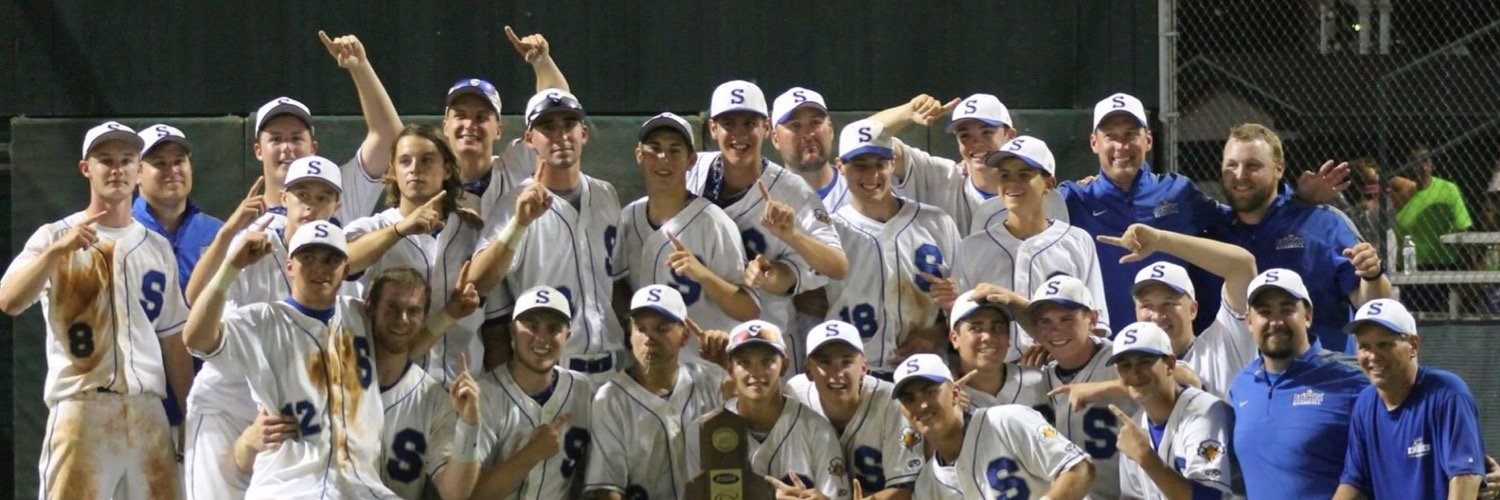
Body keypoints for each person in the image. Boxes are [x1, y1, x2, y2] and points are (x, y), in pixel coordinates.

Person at [1, 122, 190, 499]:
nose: (117, 169)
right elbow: (9, 300)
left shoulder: (156, 246)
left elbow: (173, 341)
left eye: (126, 160)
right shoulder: (55, 236)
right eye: (106, 160)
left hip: (147, 410)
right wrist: (56, 254)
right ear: (86, 168)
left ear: (139, 171)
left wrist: (186, 415)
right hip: (81, 407)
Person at [183, 29, 401, 304]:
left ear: (313, 148)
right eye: (276, 139)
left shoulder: (340, 191)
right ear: (258, 150)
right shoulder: (247, 226)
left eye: (297, 138)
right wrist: (228, 234)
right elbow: (196, 298)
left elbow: (391, 141)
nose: (287, 147)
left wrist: (360, 68)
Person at [183, 220, 397, 498]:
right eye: (308, 258)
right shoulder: (261, 321)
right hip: (288, 486)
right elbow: (195, 339)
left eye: (331, 259)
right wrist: (231, 268)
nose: (319, 268)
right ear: (289, 266)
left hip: (360, 486)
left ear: (345, 269)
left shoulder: (360, 317)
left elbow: (409, 342)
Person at [180, 155, 347, 499]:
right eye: (302, 194)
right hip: (227, 402)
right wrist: (230, 252)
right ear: (284, 198)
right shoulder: (257, 239)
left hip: (282, 416)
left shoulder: (334, 254)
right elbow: (196, 298)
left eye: (322, 197)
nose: (311, 206)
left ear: (337, 204)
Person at [685, 79, 848, 374]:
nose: (738, 134)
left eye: (749, 122)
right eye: (728, 123)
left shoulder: (791, 191)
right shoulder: (692, 171)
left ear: (765, 127)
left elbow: (837, 265)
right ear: (712, 128)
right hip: (703, 343)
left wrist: (791, 238)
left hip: (766, 344)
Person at [470, 89, 623, 378]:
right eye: (547, 127)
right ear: (529, 140)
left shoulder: (606, 194)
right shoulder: (515, 204)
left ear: (584, 133)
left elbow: (617, 280)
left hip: (610, 371)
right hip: (549, 371)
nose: (561, 135)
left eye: (569, 124)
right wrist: (519, 224)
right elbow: (476, 284)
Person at [1208, 123, 1391, 352]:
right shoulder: (1212, 231)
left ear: (1279, 169)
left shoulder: (1324, 223)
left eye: (1253, 166)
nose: (1240, 175)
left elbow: (1376, 306)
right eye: (1231, 165)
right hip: (1247, 381)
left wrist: (1372, 274)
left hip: (1326, 376)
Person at [943, 135, 1110, 361]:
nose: (1012, 183)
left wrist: (1054, 343)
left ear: (1049, 184)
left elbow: (1096, 325)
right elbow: (961, 328)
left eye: (1024, 174)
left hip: (1060, 368)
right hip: (995, 372)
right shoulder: (971, 247)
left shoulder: (1077, 241)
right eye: (1005, 175)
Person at [344, 123, 486, 381]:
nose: (415, 169)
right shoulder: (374, 227)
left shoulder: (472, 231)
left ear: (448, 169)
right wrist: (400, 229)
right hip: (389, 384)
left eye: (426, 160)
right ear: (392, 171)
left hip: (462, 381)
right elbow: (343, 263)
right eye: (405, 161)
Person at [822, 119, 961, 373]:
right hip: (854, 372)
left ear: (893, 164)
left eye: (880, 165)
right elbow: (811, 302)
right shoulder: (829, 231)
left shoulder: (937, 222)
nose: (871, 175)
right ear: (840, 166)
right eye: (860, 166)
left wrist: (937, 334)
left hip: (926, 368)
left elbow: (967, 301)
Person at [610, 112, 759, 343]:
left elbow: (748, 309)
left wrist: (704, 275)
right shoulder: (628, 217)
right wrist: (630, 325)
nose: (663, 158)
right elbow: (616, 283)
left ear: (691, 160)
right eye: (654, 148)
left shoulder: (713, 222)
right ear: (640, 155)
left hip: (702, 364)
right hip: (647, 364)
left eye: (674, 150)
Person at [1228, 268, 1368, 498]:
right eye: (1264, 312)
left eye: (1287, 310)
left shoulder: (1353, 378)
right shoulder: (1241, 386)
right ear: (1249, 321)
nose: (1276, 321)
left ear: (1308, 316)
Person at [584, 285, 729, 499]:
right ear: (630, 335)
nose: (649, 337)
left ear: (684, 336)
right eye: (641, 329)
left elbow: (760, 427)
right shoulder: (610, 399)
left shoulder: (712, 381)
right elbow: (607, 488)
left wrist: (731, 366)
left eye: (661, 329)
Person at [1334, 299, 1486, 499]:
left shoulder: (1448, 393)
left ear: (1413, 345)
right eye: (1364, 346)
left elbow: (1465, 477)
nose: (1373, 355)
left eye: (1384, 344)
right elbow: (1354, 482)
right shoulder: (1365, 403)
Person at [684, 320, 850, 499]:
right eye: (744, 362)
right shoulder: (703, 430)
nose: (755, 372)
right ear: (730, 368)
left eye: (767, 361)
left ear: (784, 366)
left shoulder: (817, 430)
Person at [895, 353, 1095, 499]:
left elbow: (1080, 469)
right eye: (909, 398)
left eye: (930, 392)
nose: (921, 405)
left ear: (955, 393)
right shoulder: (927, 485)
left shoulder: (1007, 420)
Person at [132, 123, 226, 436]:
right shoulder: (121, 235)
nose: (172, 170)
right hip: (137, 406)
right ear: (137, 173)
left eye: (179, 161)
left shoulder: (217, 234)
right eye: (159, 163)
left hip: (211, 403)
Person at [1097, 224, 1259, 399]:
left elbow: (1242, 265)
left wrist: (1160, 240)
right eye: (1146, 306)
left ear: (1192, 309)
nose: (1157, 316)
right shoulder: (1126, 368)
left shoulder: (1225, 344)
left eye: (1169, 303)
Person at [366, 268, 485, 500]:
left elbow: (454, 494)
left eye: (413, 311)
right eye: (392, 307)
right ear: (369, 307)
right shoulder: (337, 374)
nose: (402, 319)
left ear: (423, 319)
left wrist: (470, 424)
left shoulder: (434, 399)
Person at [471, 286, 596, 499]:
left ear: (567, 336)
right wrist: (530, 454)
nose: (541, 338)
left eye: (553, 328)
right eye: (532, 326)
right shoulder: (483, 396)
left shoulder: (582, 390)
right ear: (512, 330)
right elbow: (468, 495)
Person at [784, 320, 925, 496]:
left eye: (846, 362)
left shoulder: (890, 403)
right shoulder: (796, 394)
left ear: (864, 367)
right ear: (809, 370)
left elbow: (905, 490)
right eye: (825, 362)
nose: (837, 372)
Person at [1027, 274, 1137, 498]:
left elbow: (1183, 380)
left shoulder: (1121, 357)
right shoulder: (1036, 373)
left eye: (1066, 319)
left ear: (1093, 318)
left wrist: (1103, 388)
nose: (1055, 330)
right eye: (1045, 321)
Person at [446, 26, 569, 217]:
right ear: (445, 125)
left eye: (481, 117)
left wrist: (541, 62)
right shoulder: (429, 175)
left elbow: (556, 107)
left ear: (498, 129)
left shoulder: (514, 166)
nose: (470, 125)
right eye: (460, 115)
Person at [1106, 322, 1237, 499]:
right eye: (1125, 366)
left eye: (1144, 362)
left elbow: (1208, 497)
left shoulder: (1206, 413)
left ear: (1170, 364)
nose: (1135, 373)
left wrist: (1146, 457)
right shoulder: (1135, 425)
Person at [1393, 144, 1474, 311]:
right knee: (1411, 318)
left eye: (1425, 161)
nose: (1422, 167)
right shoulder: (1401, 193)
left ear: (1432, 165)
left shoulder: (1448, 189)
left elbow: (1462, 227)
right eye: (1416, 162)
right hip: (1408, 267)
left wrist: (1468, 265)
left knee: (1440, 317)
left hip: (1441, 265)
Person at [945, 289, 1048, 410]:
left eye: (997, 327)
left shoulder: (1041, 381)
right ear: (954, 339)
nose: (988, 337)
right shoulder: (946, 399)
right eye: (976, 328)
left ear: (1009, 338)